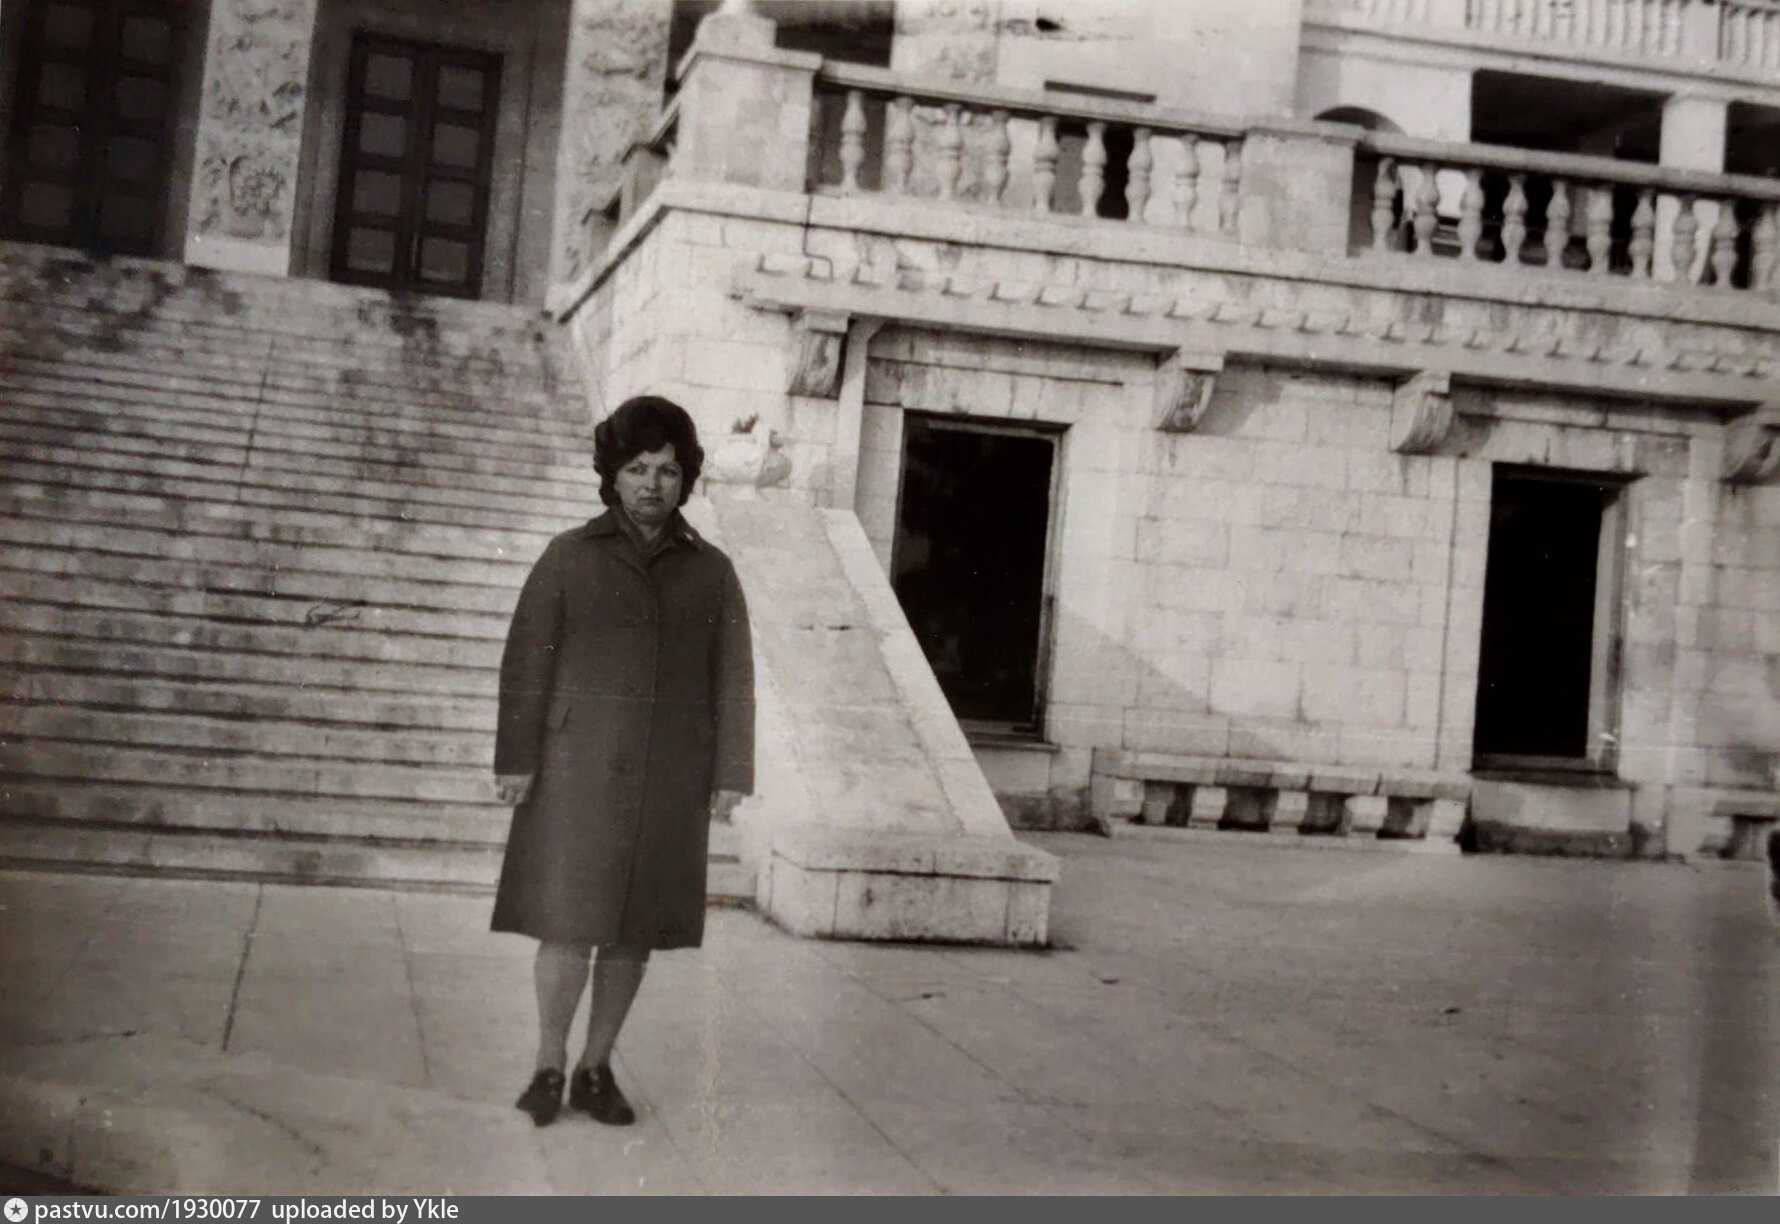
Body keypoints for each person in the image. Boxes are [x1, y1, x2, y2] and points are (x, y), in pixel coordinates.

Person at [491, 394, 754, 1127]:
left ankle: (595, 1067)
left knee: (634, 931)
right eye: (637, 468)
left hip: (670, 776)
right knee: (566, 923)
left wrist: (732, 771)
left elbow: (733, 677)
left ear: (686, 479)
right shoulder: (567, 557)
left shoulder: (713, 572)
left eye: (667, 470)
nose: (651, 485)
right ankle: (548, 1065)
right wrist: (516, 758)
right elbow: (526, 662)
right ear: (611, 474)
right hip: (574, 771)